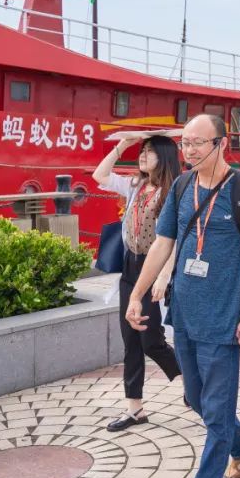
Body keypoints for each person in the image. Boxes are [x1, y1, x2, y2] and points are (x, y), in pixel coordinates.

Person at [125, 114, 240, 478]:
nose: (188, 150)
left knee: (217, 413)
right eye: (185, 143)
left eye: (197, 143)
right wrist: (137, 294)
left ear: (221, 144)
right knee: (195, 397)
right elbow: (163, 243)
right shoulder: (182, 186)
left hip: (224, 319)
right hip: (184, 315)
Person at [93, 135, 183, 431]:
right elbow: (100, 176)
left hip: (153, 267)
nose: (143, 156)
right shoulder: (137, 185)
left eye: (150, 152)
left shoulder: (173, 192)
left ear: (165, 156)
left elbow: (172, 240)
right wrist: (122, 146)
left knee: (151, 341)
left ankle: (190, 382)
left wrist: (163, 276)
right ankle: (135, 409)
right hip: (130, 267)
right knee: (130, 340)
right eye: (141, 151)